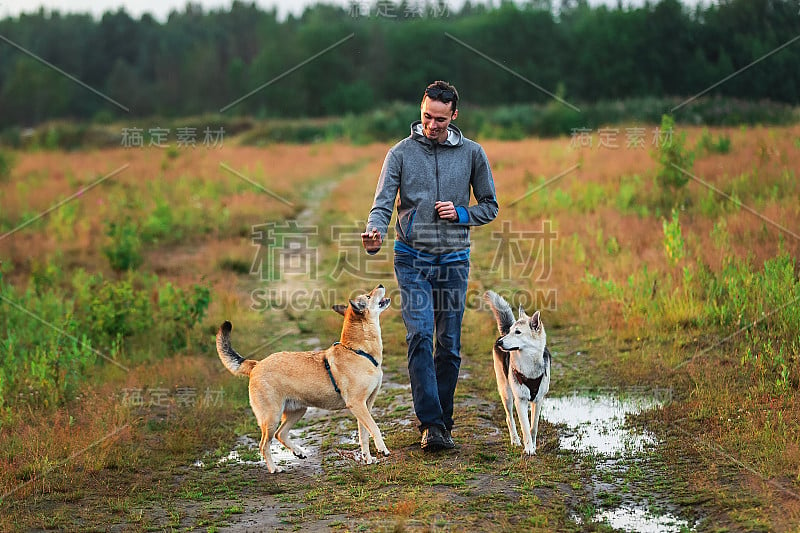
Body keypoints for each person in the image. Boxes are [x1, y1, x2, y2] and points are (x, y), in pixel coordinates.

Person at [361, 80, 498, 451]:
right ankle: (431, 425)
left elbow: (490, 205)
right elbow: (382, 204)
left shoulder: (473, 154)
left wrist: (462, 212)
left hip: (454, 259)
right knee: (420, 335)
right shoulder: (400, 154)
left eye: (439, 119)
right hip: (412, 258)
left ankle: (444, 419)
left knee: (449, 345)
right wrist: (374, 232)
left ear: (454, 115)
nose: (431, 125)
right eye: (426, 117)